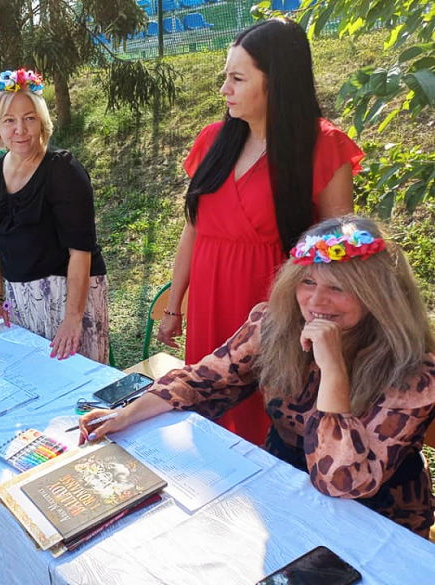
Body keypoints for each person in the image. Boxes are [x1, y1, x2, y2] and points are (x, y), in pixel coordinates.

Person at [82, 216, 435, 539]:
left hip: (379, 516)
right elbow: (201, 380)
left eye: (338, 288)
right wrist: (125, 414)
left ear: (378, 295)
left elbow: (342, 480)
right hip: (282, 481)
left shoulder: (414, 371)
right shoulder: (273, 325)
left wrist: (333, 371)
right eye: (307, 281)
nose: (315, 300)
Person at [156, 18, 364, 445]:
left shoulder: (323, 147)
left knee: (269, 426)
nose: (224, 89)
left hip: (274, 310)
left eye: (237, 78)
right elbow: (192, 232)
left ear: (277, 83)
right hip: (211, 300)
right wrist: (174, 305)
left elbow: (339, 260)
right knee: (208, 408)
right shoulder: (213, 140)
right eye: (224, 77)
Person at [0, 69, 109, 363]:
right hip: (20, 298)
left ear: (41, 120)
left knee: (77, 384)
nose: (20, 130)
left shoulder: (63, 170)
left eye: (29, 118)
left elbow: (80, 250)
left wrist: (73, 319)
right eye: (9, 120)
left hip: (69, 293)